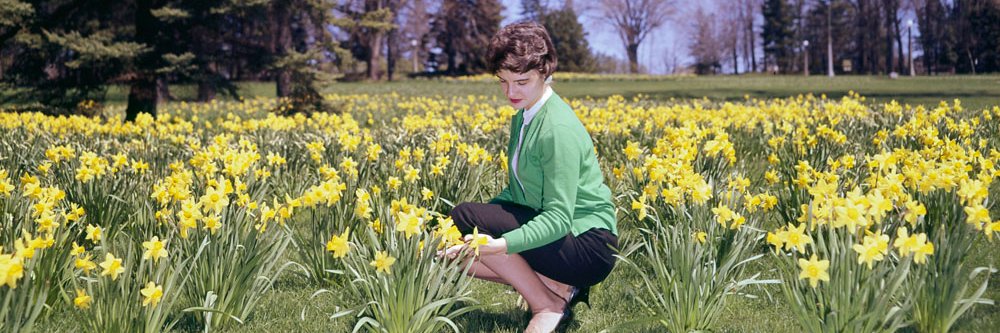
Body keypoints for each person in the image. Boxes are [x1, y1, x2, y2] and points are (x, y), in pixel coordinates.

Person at [443, 22, 618, 333]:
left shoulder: (556, 129)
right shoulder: (527, 114)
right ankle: (555, 284)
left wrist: (502, 243)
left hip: (588, 245)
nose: (511, 92)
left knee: (469, 221)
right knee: (457, 233)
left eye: (521, 81)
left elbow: (559, 219)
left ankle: (547, 304)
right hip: (563, 236)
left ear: (544, 71)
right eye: (503, 81)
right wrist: (478, 225)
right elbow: (518, 193)